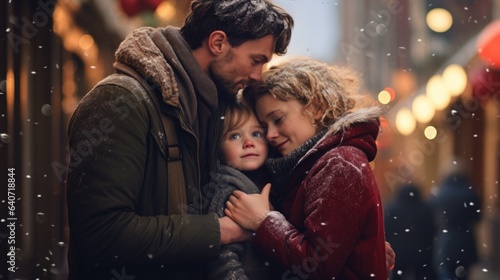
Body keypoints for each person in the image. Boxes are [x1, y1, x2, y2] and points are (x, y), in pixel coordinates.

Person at [65, 0, 293, 279]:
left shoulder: (217, 106)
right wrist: (224, 231)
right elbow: (100, 235)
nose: (257, 75)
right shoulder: (119, 101)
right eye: (256, 60)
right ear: (218, 42)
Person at [225, 57, 389, 279]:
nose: (270, 134)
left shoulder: (339, 165)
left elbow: (316, 267)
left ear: (317, 108)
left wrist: (263, 221)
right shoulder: (306, 166)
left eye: (278, 119)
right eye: (264, 127)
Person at [205, 99, 273, 280]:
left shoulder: (268, 178)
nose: (249, 142)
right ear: (218, 149)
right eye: (235, 136)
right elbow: (221, 257)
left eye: (257, 133)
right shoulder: (229, 190)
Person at [429, 170, 481, 280]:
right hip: (466, 240)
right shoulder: (470, 192)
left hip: (446, 241)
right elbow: (477, 217)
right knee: (462, 274)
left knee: (447, 273)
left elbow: (431, 217)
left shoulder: (440, 193)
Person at [384, 183, 437, 280]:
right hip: (421, 255)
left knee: (398, 276)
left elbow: (387, 231)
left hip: (399, 254)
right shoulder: (425, 209)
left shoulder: (392, 209)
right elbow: (432, 231)